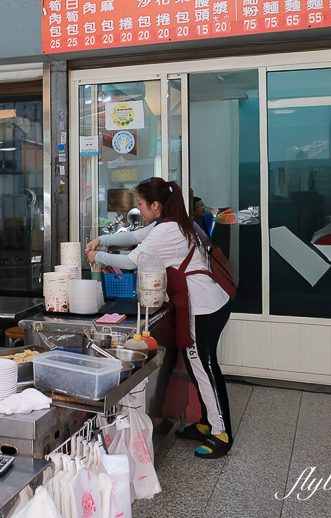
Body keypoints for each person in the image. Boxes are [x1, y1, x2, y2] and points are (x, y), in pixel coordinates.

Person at [86, 178, 234, 459]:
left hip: (202, 305)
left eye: (141, 204)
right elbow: (133, 238)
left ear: (155, 204)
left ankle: (220, 433)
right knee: (198, 367)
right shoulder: (167, 224)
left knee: (203, 368)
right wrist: (103, 240)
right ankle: (207, 422)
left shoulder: (168, 230)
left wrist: (98, 255)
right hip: (209, 302)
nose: (139, 210)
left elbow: (132, 261)